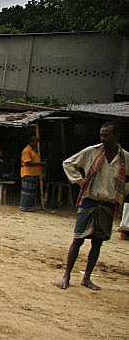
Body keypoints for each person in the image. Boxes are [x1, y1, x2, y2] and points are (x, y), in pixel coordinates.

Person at [54, 121, 127, 290]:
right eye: (102, 135)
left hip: (107, 203)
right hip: (89, 200)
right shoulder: (91, 152)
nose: (103, 138)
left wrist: (122, 190)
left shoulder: (124, 158)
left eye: (107, 135)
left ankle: (86, 277)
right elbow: (68, 163)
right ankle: (66, 276)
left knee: (97, 241)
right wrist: (81, 182)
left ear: (117, 136)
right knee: (78, 239)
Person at [19, 136, 47, 212]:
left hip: (34, 173)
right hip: (28, 172)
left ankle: (29, 207)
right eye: (35, 143)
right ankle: (24, 206)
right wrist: (39, 163)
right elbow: (27, 162)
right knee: (27, 191)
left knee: (32, 191)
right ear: (31, 142)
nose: (36, 144)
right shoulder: (27, 150)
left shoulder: (34, 151)